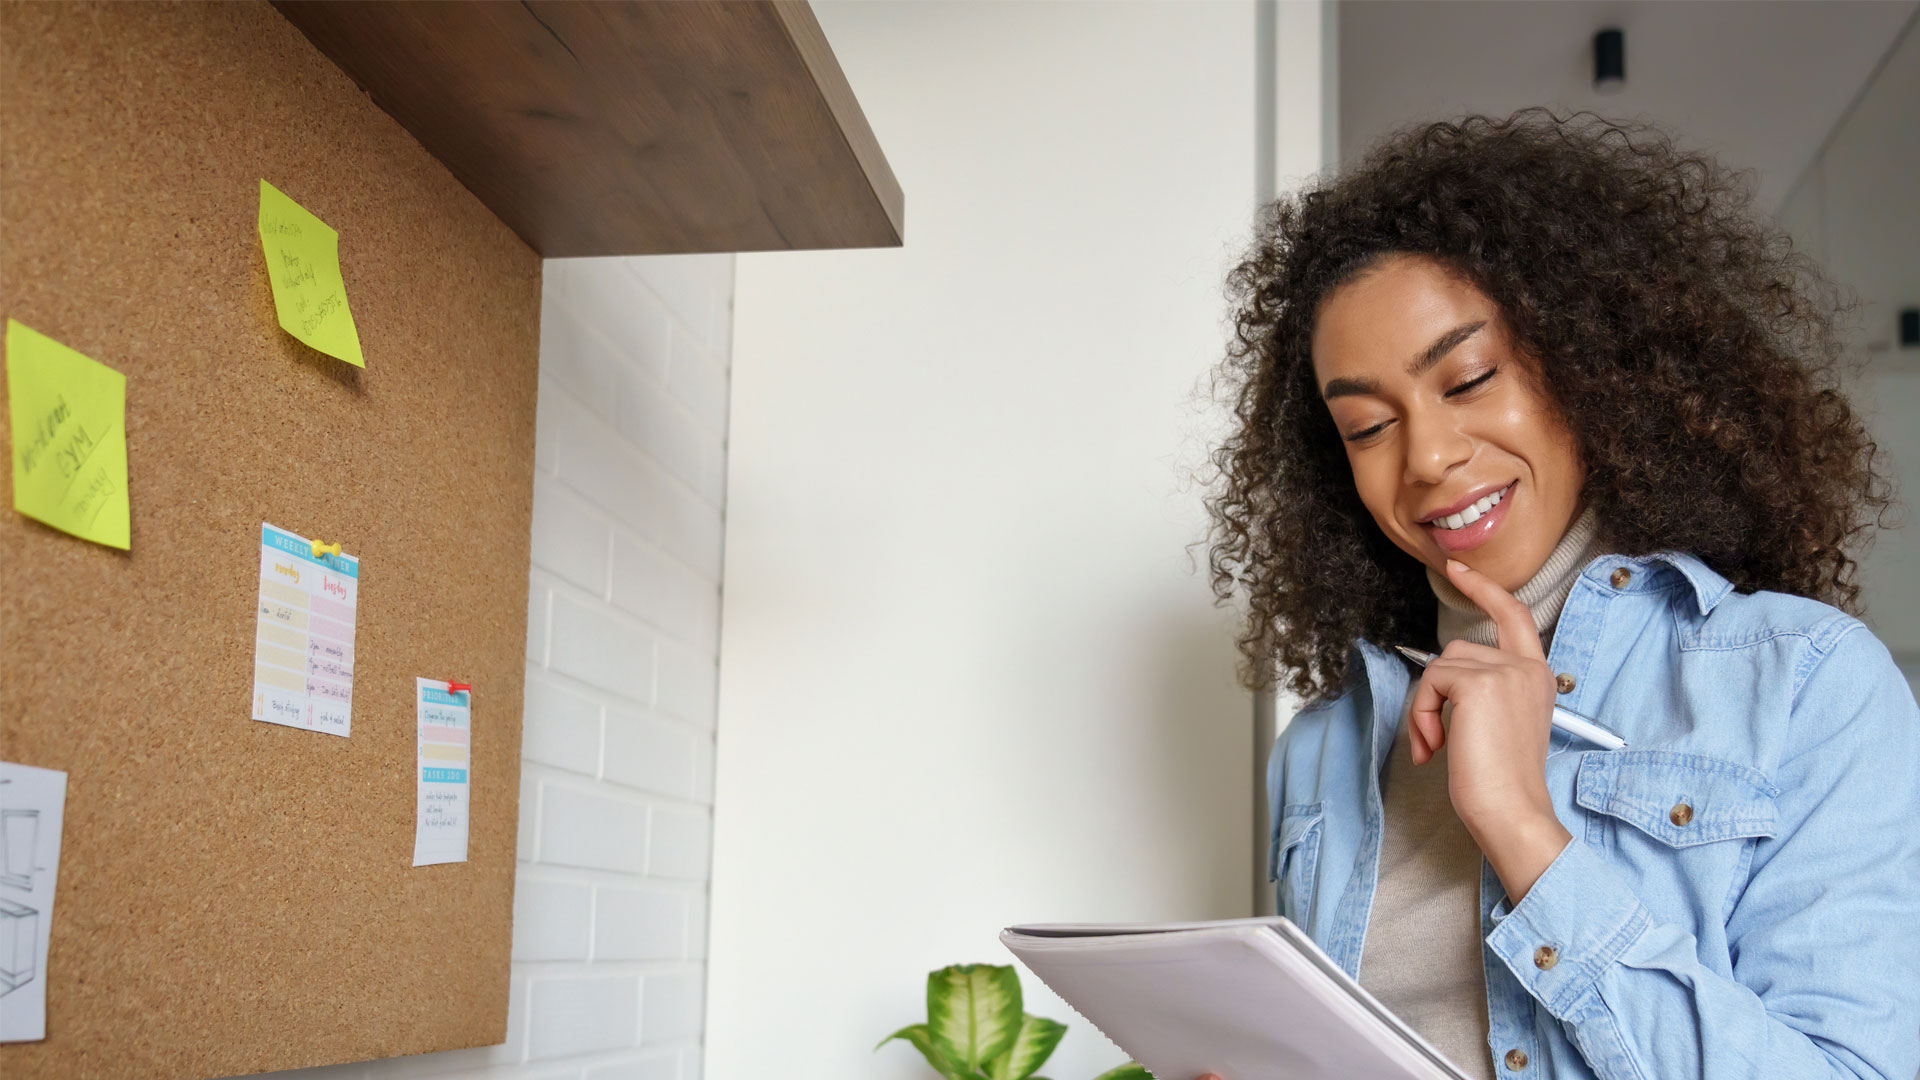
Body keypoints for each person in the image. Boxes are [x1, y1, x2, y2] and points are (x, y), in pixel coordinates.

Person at [1198, 108, 1920, 1078]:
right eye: (1367, 427)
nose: (1428, 458)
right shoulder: (1323, 749)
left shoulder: (1803, 681)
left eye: (1468, 379)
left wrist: (1521, 828)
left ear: (1589, 364)